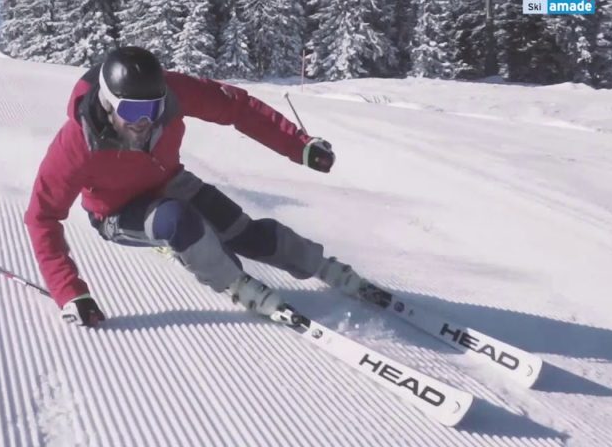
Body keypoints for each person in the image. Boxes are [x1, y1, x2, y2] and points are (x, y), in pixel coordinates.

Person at [24, 46, 361, 327]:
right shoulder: (77, 144)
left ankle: (321, 265)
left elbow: (237, 107)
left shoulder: (172, 93)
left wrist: (300, 146)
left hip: (170, 182)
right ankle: (236, 284)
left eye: (152, 108)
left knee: (240, 229)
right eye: (132, 110)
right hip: (116, 212)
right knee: (178, 220)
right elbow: (42, 217)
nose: (144, 121)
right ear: (108, 102)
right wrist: (70, 292)